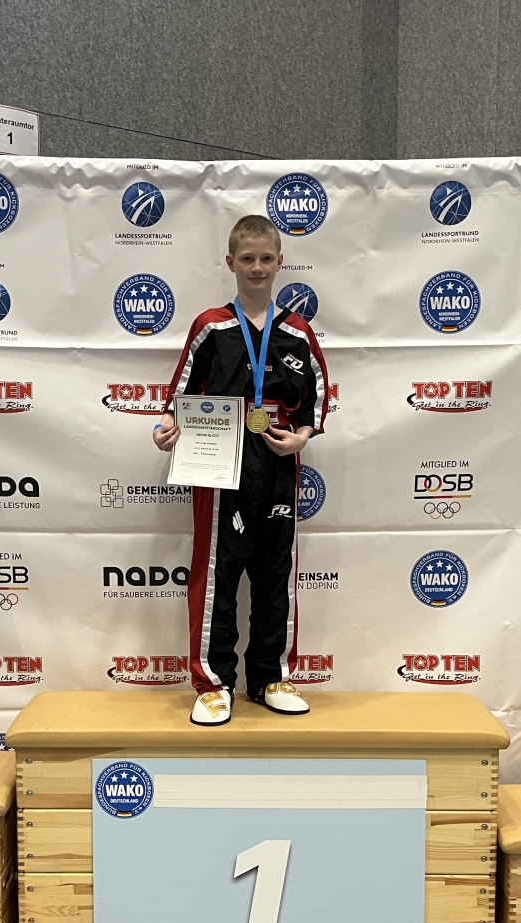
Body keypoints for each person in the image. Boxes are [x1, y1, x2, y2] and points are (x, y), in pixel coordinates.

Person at [155, 215, 330, 726]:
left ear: (280, 263)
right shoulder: (211, 325)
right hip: (219, 463)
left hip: (277, 462)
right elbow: (179, 393)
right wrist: (165, 427)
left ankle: (271, 676)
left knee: (276, 572)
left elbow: (317, 398)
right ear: (231, 263)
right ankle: (213, 683)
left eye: (266, 258)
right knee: (217, 573)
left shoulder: (297, 331)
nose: (257, 267)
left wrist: (302, 436)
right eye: (247, 258)